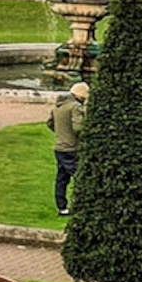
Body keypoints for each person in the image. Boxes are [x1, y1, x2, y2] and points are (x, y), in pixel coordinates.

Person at [51, 82, 86, 213]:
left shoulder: (58, 106)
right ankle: (80, 205)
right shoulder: (75, 106)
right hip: (72, 148)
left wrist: (61, 134)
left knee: (61, 178)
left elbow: (50, 123)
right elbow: (78, 128)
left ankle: (62, 207)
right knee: (79, 177)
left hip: (59, 147)